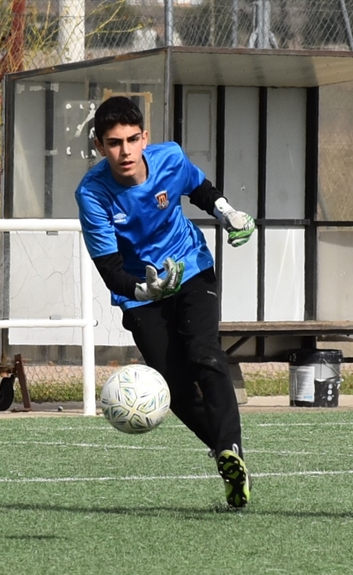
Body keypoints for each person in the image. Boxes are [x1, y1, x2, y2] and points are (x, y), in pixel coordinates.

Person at [75, 96, 256, 509]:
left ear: (145, 138)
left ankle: (229, 448)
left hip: (191, 268)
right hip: (140, 293)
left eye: (132, 139)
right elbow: (110, 268)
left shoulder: (170, 157)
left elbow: (199, 188)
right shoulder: (92, 194)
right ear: (100, 147)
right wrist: (145, 290)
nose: (125, 151)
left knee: (205, 355)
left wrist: (227, 213)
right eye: (114, 142)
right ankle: (227, 454)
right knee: (174, 384)